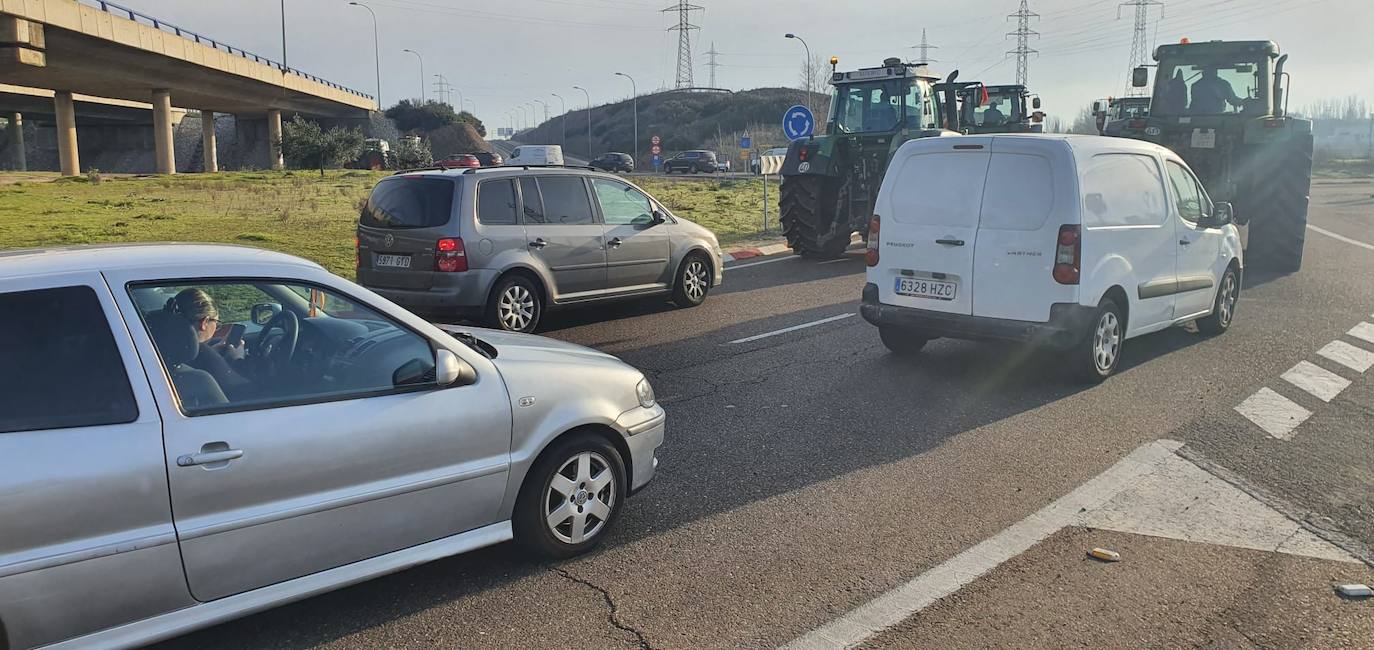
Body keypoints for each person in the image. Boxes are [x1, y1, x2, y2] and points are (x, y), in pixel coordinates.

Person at [165, 288, 252, 398]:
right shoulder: (203, 354)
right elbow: (246, 391)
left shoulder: (160, 349)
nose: (216, 328)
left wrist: (213, 354)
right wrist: (238, 359)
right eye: (216, 323)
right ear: (205, 322)